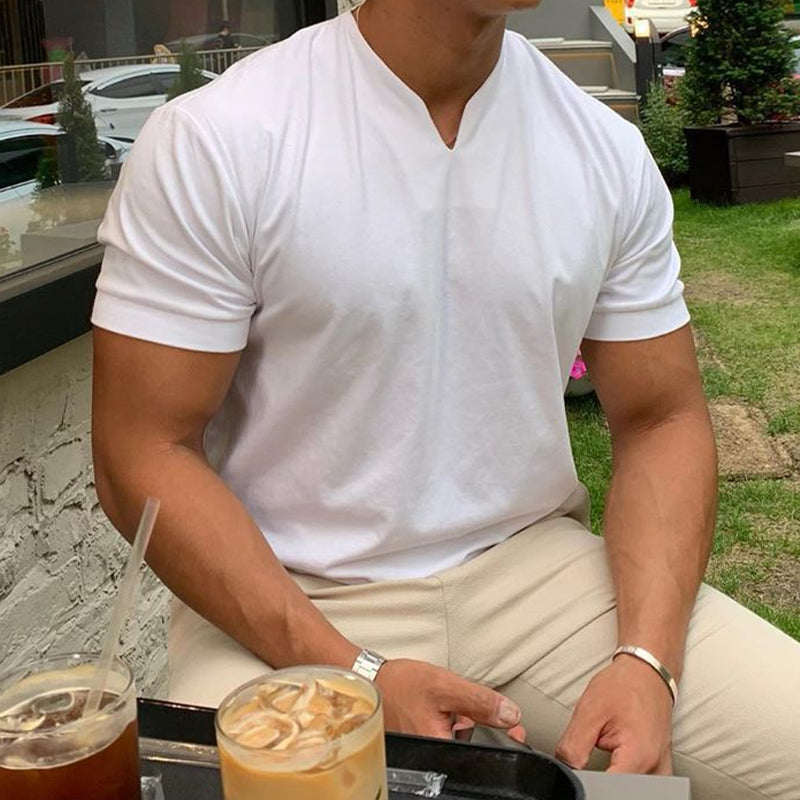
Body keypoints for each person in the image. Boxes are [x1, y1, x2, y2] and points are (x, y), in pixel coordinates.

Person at [90, 1, 800, 798]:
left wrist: (647, 662)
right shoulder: (221, 139)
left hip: (536, 577)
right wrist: (355, 671)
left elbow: (661, 419)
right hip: (288, 591)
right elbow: (142, 449)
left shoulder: (599, 147)